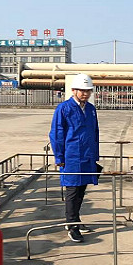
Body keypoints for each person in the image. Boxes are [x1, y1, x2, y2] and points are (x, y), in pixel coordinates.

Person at [49, 74, 100, 243]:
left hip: (87, 156)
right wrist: (59, 157)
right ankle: (71, 225)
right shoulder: (64, 108)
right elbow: (57, 133)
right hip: (71, 156)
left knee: (82, 190)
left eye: (88, 91)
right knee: (72, 191)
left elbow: (95, 132)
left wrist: (95, 154)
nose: (85, 94)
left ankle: (75, 219)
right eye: (82, 90)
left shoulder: (90, 109)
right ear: (73, 90)